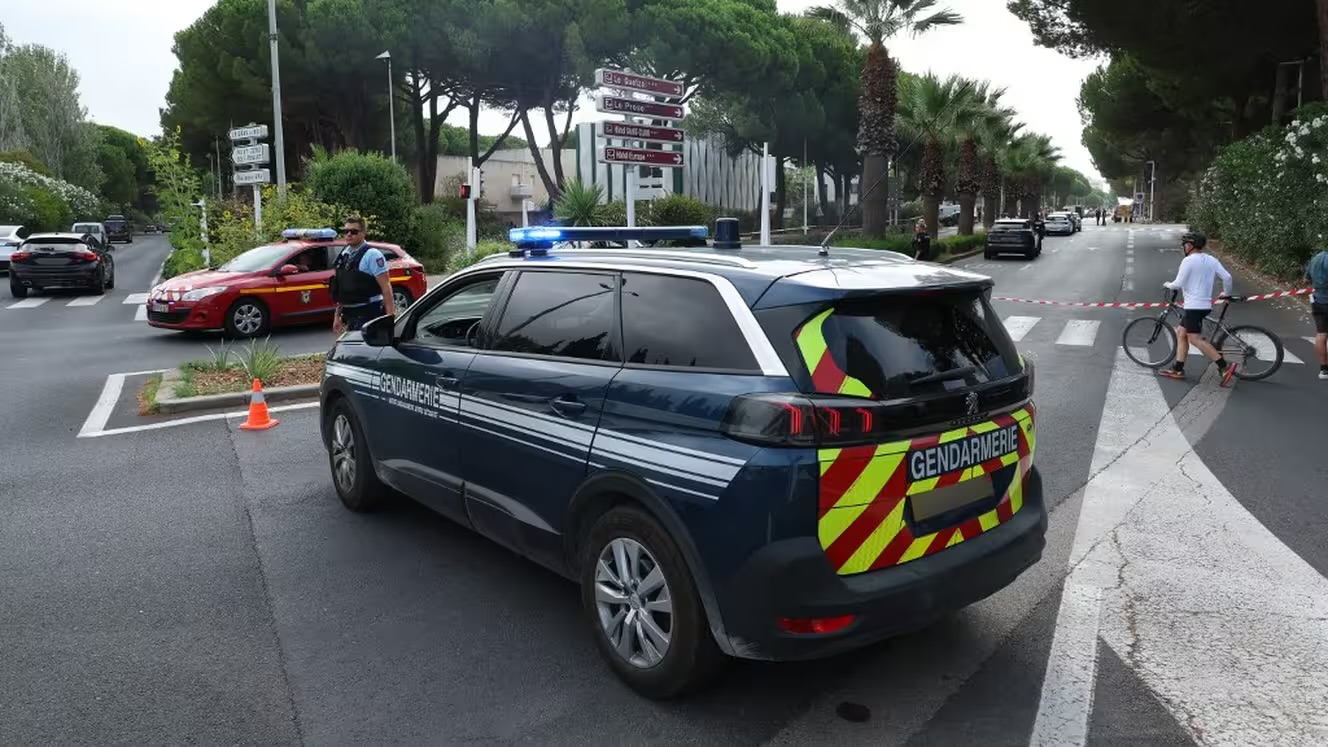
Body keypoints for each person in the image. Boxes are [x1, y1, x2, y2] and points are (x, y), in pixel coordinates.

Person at [1159, 231, 1236, 386]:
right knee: (1181, 333)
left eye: (1184, 244)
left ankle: (1224, 367)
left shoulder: (1188, 261)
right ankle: (1178, 369)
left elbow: (1177, 284)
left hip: (1194, 306)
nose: (1184, 247)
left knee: (1194, 339)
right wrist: (1226, 294)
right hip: (1204, 305)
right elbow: (1227, 277)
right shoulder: (1211, 259)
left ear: (1189, 245)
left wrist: (1167, 284)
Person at [331, 216, 395, 334]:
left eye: (354, 231)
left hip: (369, 317)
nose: (349, 234)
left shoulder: (372, 255)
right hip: (350, 318)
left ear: (363, 233)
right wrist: (337, 317)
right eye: (346, 231)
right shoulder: (344, 255)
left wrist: (390, 320)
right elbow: (342, 290)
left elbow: (386, 288)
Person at [1304, 247, 1328, 379]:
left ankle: (1324, 370)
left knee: (1321, 334)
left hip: (1318, 301)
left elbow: (1306, 280)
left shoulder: (1316, 258)